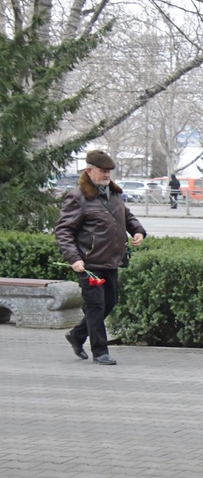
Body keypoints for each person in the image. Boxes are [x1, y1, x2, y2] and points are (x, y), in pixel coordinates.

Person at [56, 150, 147, 366]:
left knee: (110, 302)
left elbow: (127, 216)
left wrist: (138, 231)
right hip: (88, 263)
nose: (106, 175)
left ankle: (77, 335)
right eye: (102, 171)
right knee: (96, 305)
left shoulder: (113, 194)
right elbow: (64, 231)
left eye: (109, 172)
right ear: (89, 171)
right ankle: (100, 351)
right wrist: (73, 258)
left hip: (111, 260)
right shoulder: (77, 196)